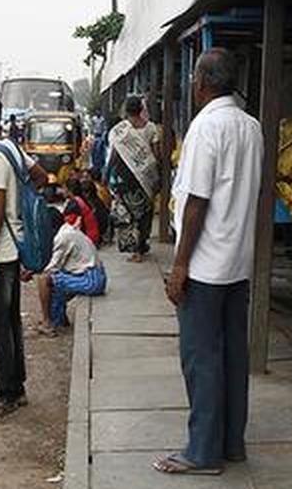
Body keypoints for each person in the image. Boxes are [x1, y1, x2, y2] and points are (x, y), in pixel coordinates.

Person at [152, 48, 262, 476]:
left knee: (201, 359)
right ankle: (231, 442)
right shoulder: (251, 127)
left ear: (201, 81)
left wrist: (179, 267)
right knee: (233, 355)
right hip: (238, 261)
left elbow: (196, 202)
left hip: (205, 265)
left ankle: (202, 451)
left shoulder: (206, 128)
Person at [0, 93, 47, 419]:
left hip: (0, 253)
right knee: (10, 320)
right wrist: (24, 204)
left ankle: (6, 393)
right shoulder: (12, 148)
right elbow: (41, 176)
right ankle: (17, 386)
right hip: (14, 249)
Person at [26, 204, 106, 336]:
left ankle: (47, 322)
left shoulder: (62, 238)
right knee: (57, 282)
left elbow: (50, 267)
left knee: (44, 279)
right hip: (95, 277)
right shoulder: (68, 231)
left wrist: (31, 271)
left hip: (91, 279)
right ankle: (58, 320)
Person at [107, 95, 162, 261]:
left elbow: (114, 156)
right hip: (146, 176)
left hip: (126, 177)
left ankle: (136, 250)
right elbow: (156, 154)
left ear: (126, 110)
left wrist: (107, 174)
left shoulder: (119, 130)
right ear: (141, 109)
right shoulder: (151, 127)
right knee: (144, 212)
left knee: (129, 213)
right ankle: (142, 245)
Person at [64, 178, 100, 246]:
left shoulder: (74, 204)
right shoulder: (83, 199)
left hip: (88, 239)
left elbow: (69, 224)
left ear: (69, 190)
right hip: (93, 236)